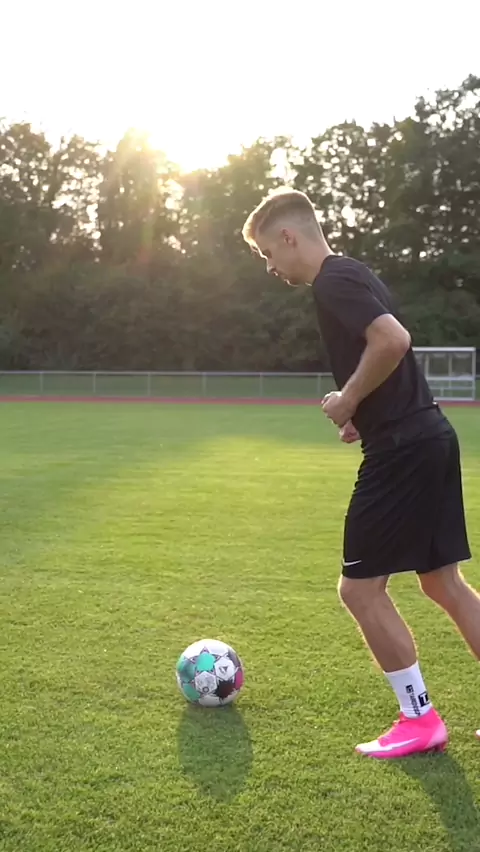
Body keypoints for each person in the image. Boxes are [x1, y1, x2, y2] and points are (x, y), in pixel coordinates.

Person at [242, 187, 480, 759]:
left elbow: (393, 340)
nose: (269, 267)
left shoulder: (333, 281)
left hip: (402, 450)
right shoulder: (353, 271)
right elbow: (386, 352)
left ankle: (419, 720)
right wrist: (361, 412)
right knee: (442, 583)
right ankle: (420, 718)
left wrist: (348, 399)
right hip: (426, 435)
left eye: (267, 253)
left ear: (288, 236)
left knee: (360, 589)